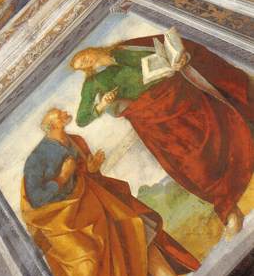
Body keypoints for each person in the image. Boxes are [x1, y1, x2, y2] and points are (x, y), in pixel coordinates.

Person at [22, 107, 198, 276]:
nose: (62, 113)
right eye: (56, 114)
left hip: (97, 203)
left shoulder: (77, 142)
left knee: (137, 229)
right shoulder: (37, 159)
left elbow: (89, 175)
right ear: (50, 126)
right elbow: (36, 198)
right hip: (69, 224)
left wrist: (92, 169)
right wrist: (61, 178)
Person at [71, 34, 254, 236]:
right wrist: (102, 104)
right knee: (189, 162)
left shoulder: (125, 49)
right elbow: (81, 118)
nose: (84, 62)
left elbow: (165, 51)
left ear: (89, 49)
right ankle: (228, 208)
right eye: (80, 65)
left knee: (218, 128)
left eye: (82, 56)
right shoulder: (93, 83)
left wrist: (179, 59)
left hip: (176, 94)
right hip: (151, 118)